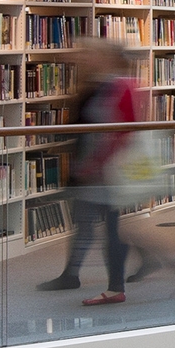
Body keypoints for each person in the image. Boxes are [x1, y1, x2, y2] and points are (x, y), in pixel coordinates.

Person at [36, 39, 157, 304]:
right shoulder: (98, 85)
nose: (83, 58)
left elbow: (119, 131)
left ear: (106, 58)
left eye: (90, 54)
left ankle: (123, 280)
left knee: (108, 228)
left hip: (107, 170)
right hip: (96, 168)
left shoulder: (119, 85)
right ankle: (85, 275)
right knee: (94, 225)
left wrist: (95, 164)